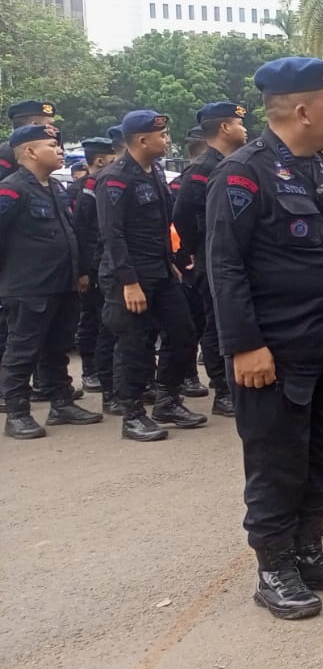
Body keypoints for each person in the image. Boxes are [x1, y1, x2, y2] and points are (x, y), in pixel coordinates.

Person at [206, 56, 323, 619]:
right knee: (277, 460)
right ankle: (274, 566)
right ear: (303, 110)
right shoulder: (243, 172)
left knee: (319, 457)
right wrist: (244, 345)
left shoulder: (317, 166)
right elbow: (225, 267)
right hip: (276, 353)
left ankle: (308, 551)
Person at [99, 109, 206, 439]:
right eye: (161, 136)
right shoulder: (115, 178)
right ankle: (131, 414)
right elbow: (112, 235)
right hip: (130, 277)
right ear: (142, 140)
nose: (167, 139)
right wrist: (128, 282)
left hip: (160, 270)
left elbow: (160, 225)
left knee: (183, 333)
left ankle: (167, 400)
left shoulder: (154, 172)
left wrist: (170, 260)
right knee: (134, 344)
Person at [1, 124, 99, 438]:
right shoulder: (11, 189)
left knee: (57, 348)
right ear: (29, 151)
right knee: (22, 351)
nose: (59, 151)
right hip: (29, 287)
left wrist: (81, 271)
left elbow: (71, 233)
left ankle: (61, 403)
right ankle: (16, 412)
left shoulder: (54, 188)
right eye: (50, 145)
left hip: (63, 284)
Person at [173, 101, 250, 419]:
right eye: (239, 123)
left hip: (232, 255)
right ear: (224, 128)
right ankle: (223, 390)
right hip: (212, 258)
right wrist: (197, 249)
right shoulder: (202, 168)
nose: (244, 129)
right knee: (217, 325)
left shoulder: (232, 162)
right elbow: (181, 215)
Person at [70, 137, 116, 394]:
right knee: (92, 320)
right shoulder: (82, 188)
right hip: (93, 265)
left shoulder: (106, 183)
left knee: (108, 321)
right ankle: (90, 370)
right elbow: (79, 231)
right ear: (100, 160)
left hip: (106, 262)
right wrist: (84, 270)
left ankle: (105, 368)